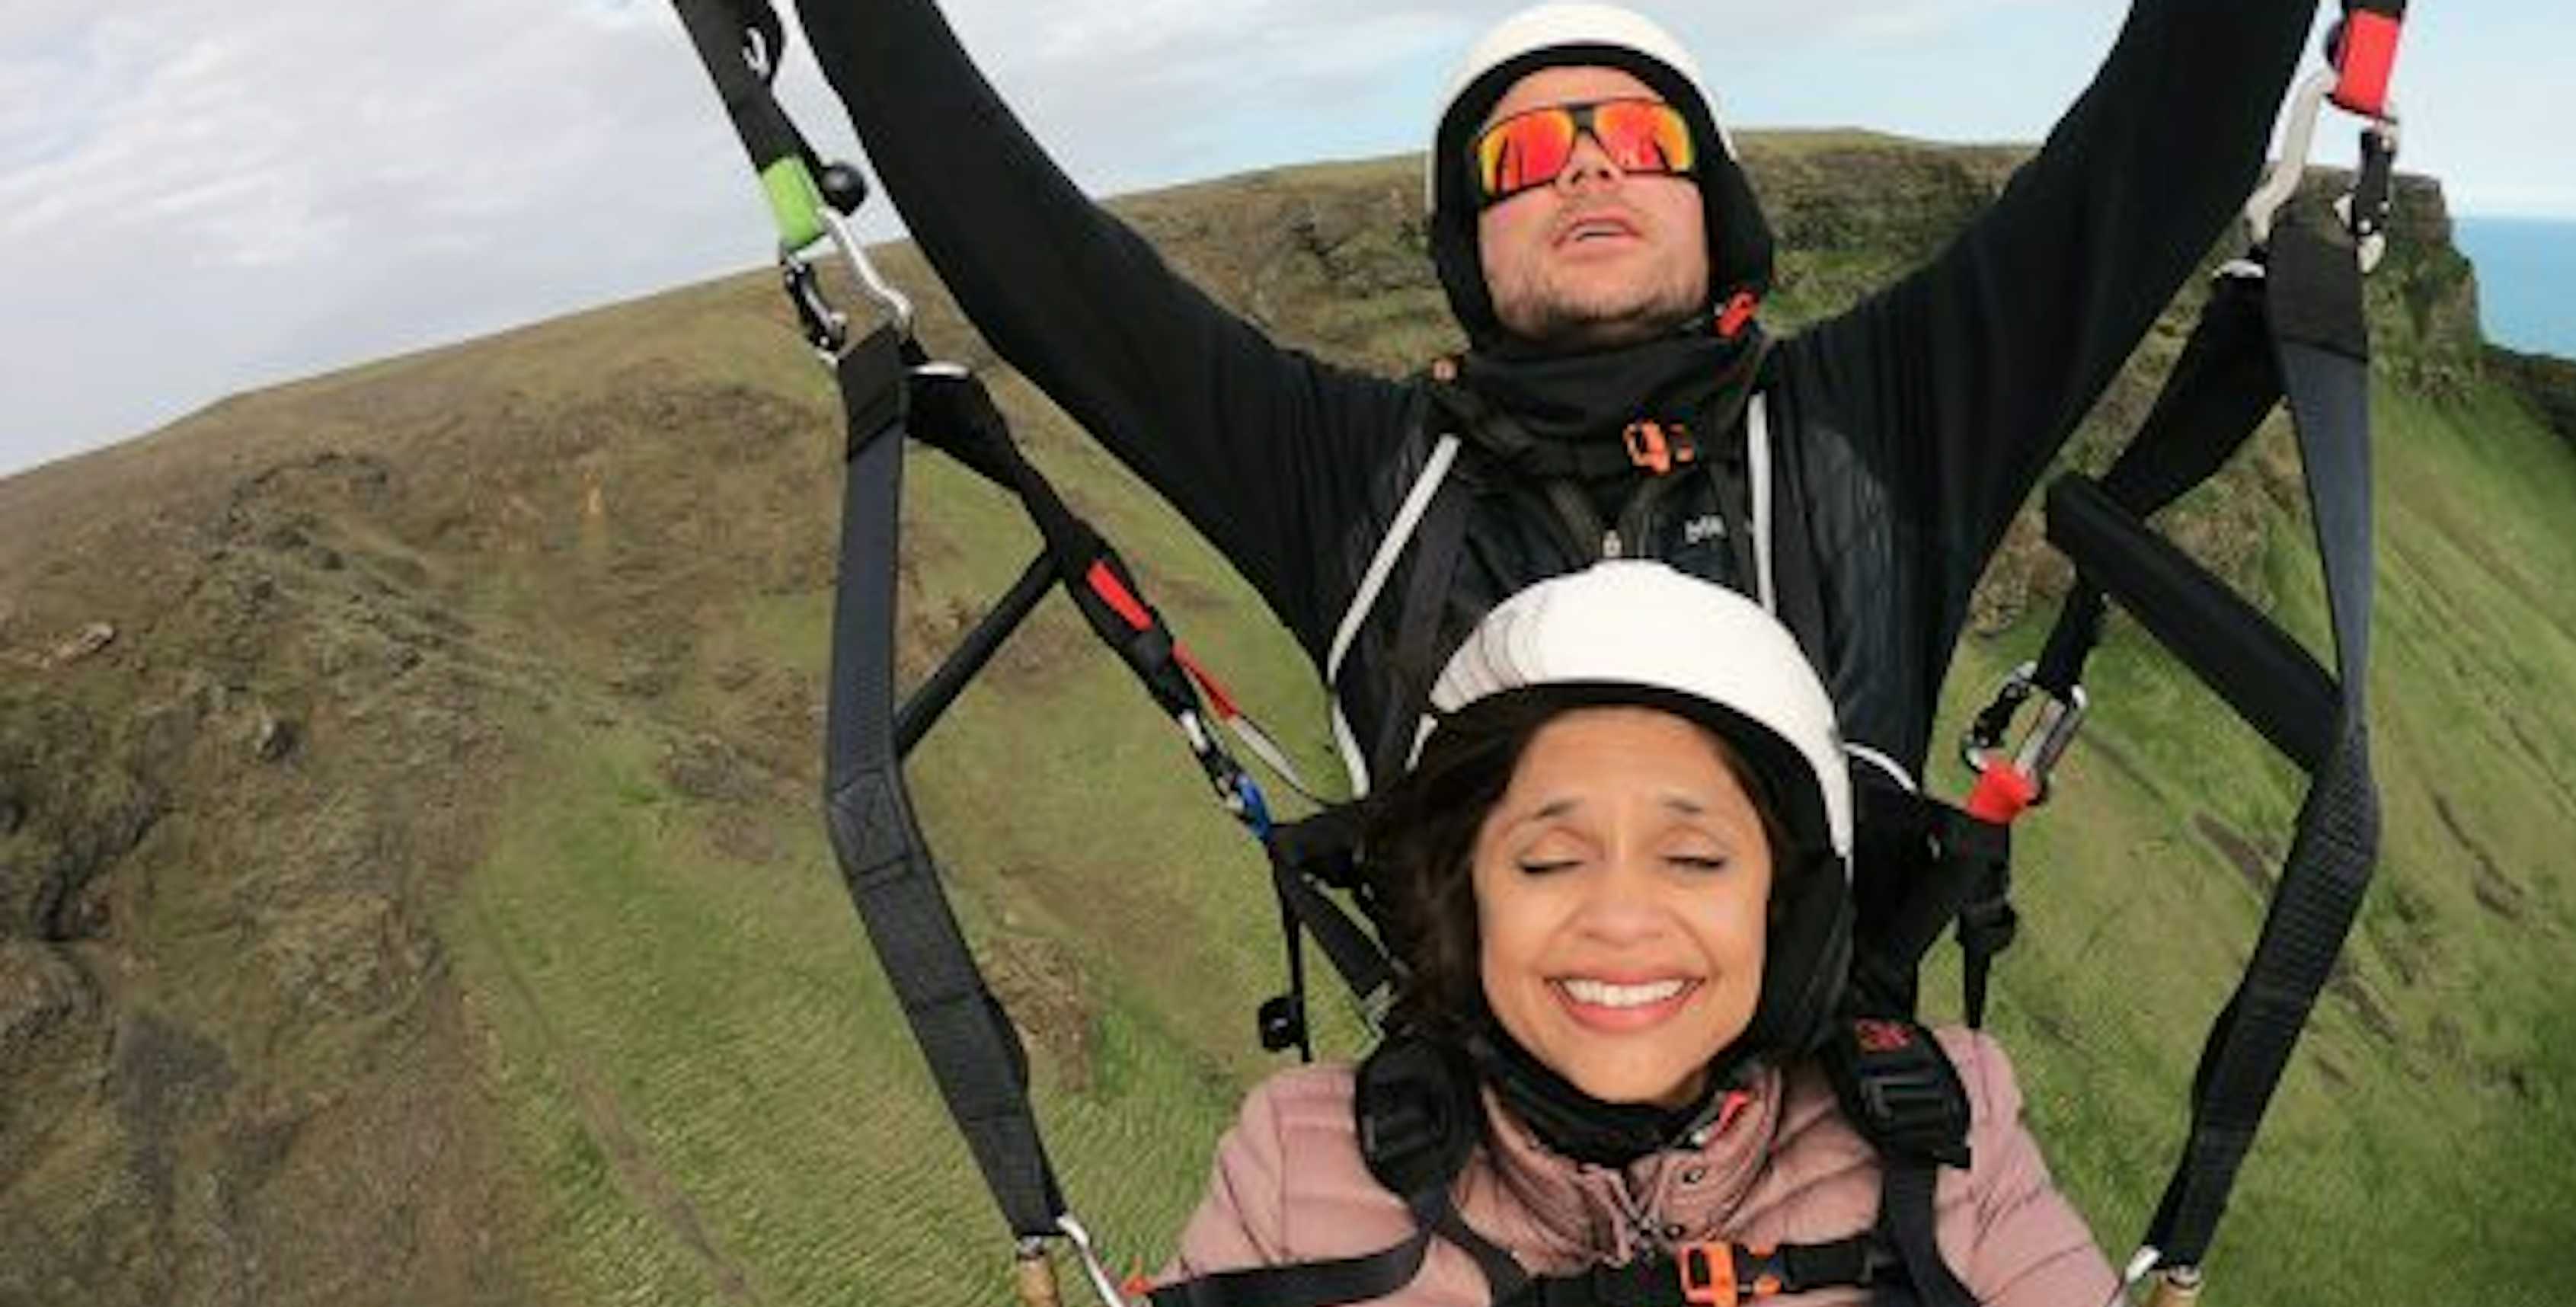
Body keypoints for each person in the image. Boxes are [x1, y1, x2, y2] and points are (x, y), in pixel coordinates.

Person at [962, 564, 2259, 1307]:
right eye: (1550, 857)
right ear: (1467, 902)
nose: (1623, 918)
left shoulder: (1940, 1138)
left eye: (1695, 856)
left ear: (1784, 908)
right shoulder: (1311, 1167)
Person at [794, 0, 2322, 794]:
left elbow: (2157, 146)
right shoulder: (1351, 478)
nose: (1585, 162)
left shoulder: (1881, 423)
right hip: (1460, 1228)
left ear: (1714, 207)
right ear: (1472, 246)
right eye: (1524, 159)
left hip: (1844, 1200)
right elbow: (1040, 266)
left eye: (1634, 139)